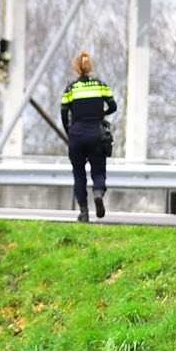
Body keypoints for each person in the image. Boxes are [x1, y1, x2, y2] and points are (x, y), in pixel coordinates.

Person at [60, 51, 117, 223]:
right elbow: (113, 106)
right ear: (89, 66)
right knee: (98, 170)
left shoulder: (71, 88)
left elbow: (63, 112)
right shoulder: (100, 85)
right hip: (97, 134)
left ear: (77, 68)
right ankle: (98, 193)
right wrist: (102, 113)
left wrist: (69, 130)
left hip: (77, 134)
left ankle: (84, 213)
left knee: (79, 174)